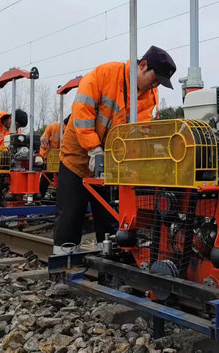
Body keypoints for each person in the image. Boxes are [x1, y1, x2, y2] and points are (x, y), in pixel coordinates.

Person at [53, 46, 176, 254]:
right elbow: (82, 114)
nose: (155, 85)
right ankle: (64, 259)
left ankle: (109, 257)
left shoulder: (149, 95)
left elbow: (139, 133)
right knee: (71, 212)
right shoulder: (104, 75)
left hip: (111, 163)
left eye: (159, 83)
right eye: (155, 79)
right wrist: (94, 150)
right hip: (77, 156)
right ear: (142, 66)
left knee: (109, 214)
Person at [35, 116, 69, 197]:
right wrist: (41, 156)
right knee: (45, 180)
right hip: (50, 161)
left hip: (65, 162)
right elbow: (43, 143)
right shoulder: (53, 127)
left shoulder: (73, 132)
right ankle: (39, 197)